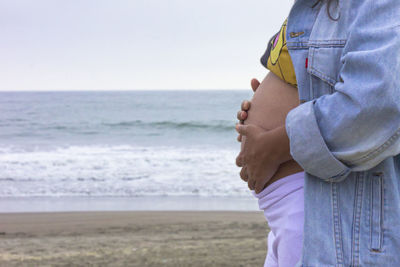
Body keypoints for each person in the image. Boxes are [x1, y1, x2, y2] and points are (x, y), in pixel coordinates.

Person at [236, 0, 400, 266]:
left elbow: (376, 105)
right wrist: (262, 110)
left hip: (318, 212)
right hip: (293, 213)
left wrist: (274, 146)